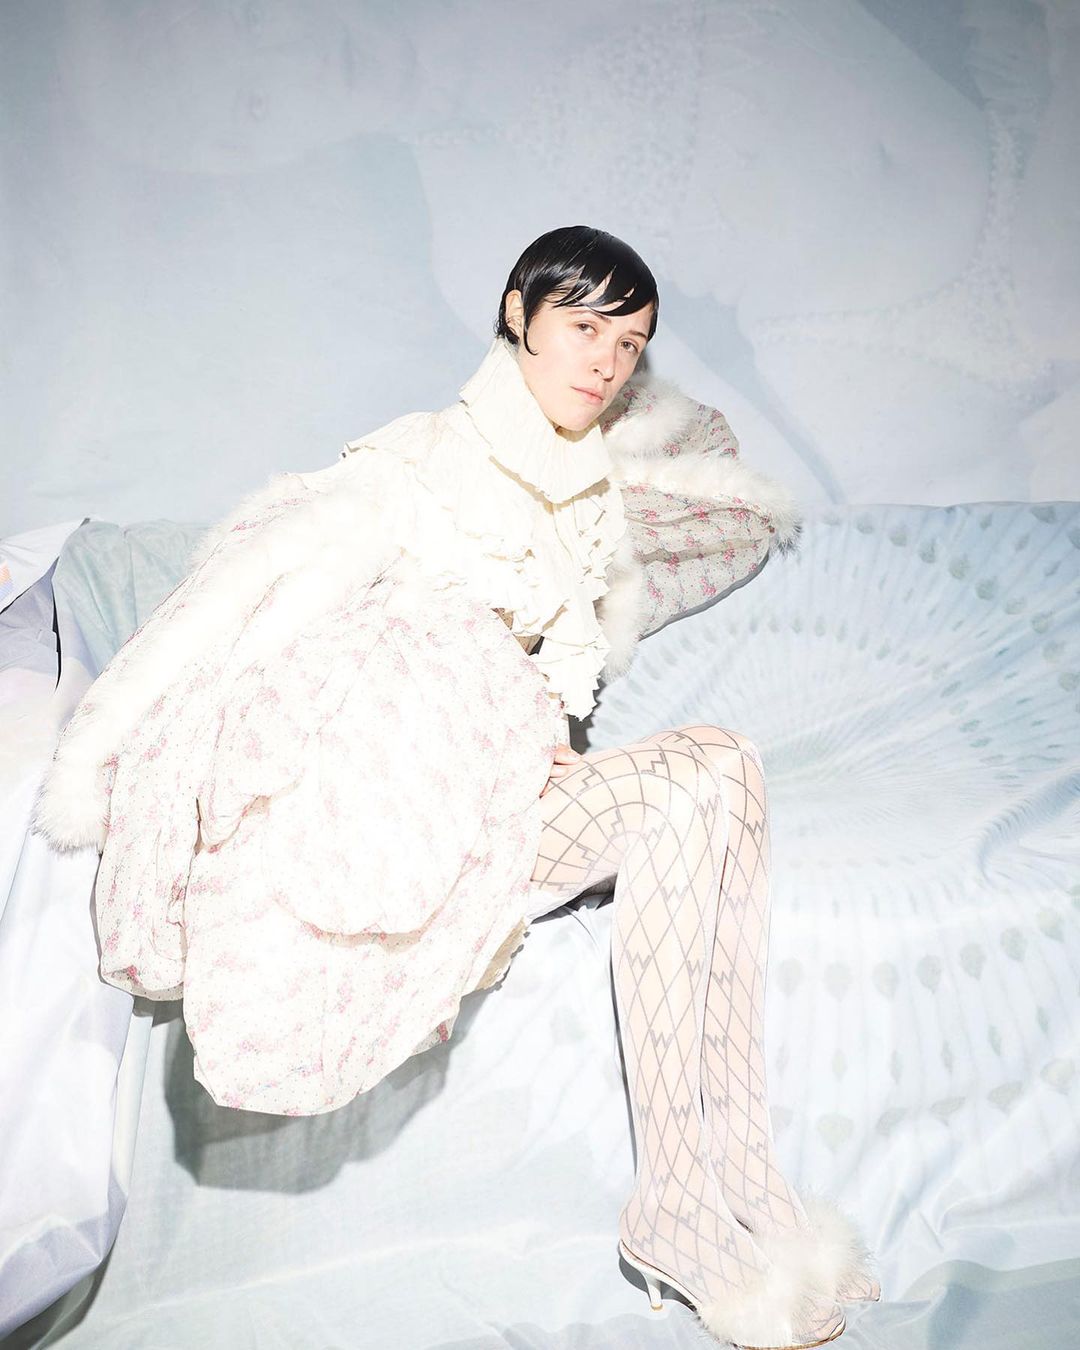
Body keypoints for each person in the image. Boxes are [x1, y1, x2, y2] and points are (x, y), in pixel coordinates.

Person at [33, 225, 877, 1348]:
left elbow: (727, 511)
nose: (607, 362)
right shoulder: (417, 462)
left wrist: (543, 717)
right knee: (694, 781)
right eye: (583, 327)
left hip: (507, 798)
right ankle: (676, 1205)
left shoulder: (588, 487)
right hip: (411, 819)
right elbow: (241, 605)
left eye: (632, 343)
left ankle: (747, 1186)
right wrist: (111, 760)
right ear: (516, 312)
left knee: (723, 761)